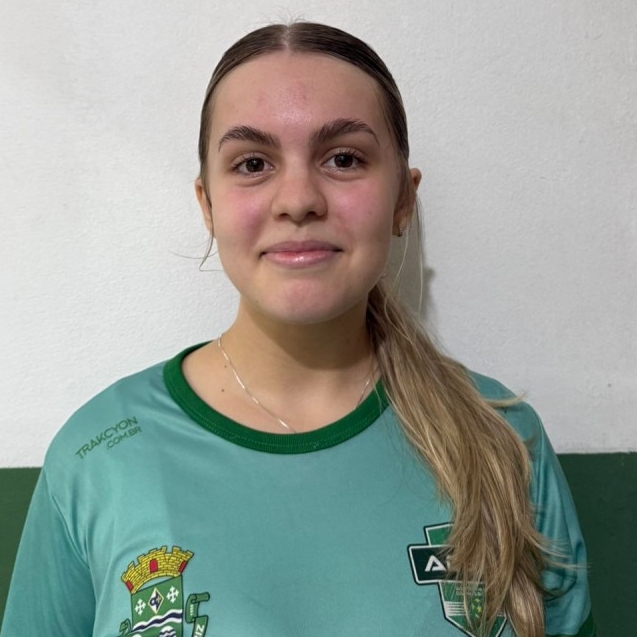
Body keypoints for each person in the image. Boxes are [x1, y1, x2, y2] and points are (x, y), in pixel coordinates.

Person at [1, 22, 594, 637]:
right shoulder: (97, 457)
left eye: (344, 158)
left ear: (403, 199)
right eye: (253, 163)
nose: (298, 199)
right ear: (207, 205)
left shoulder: (504, 444)